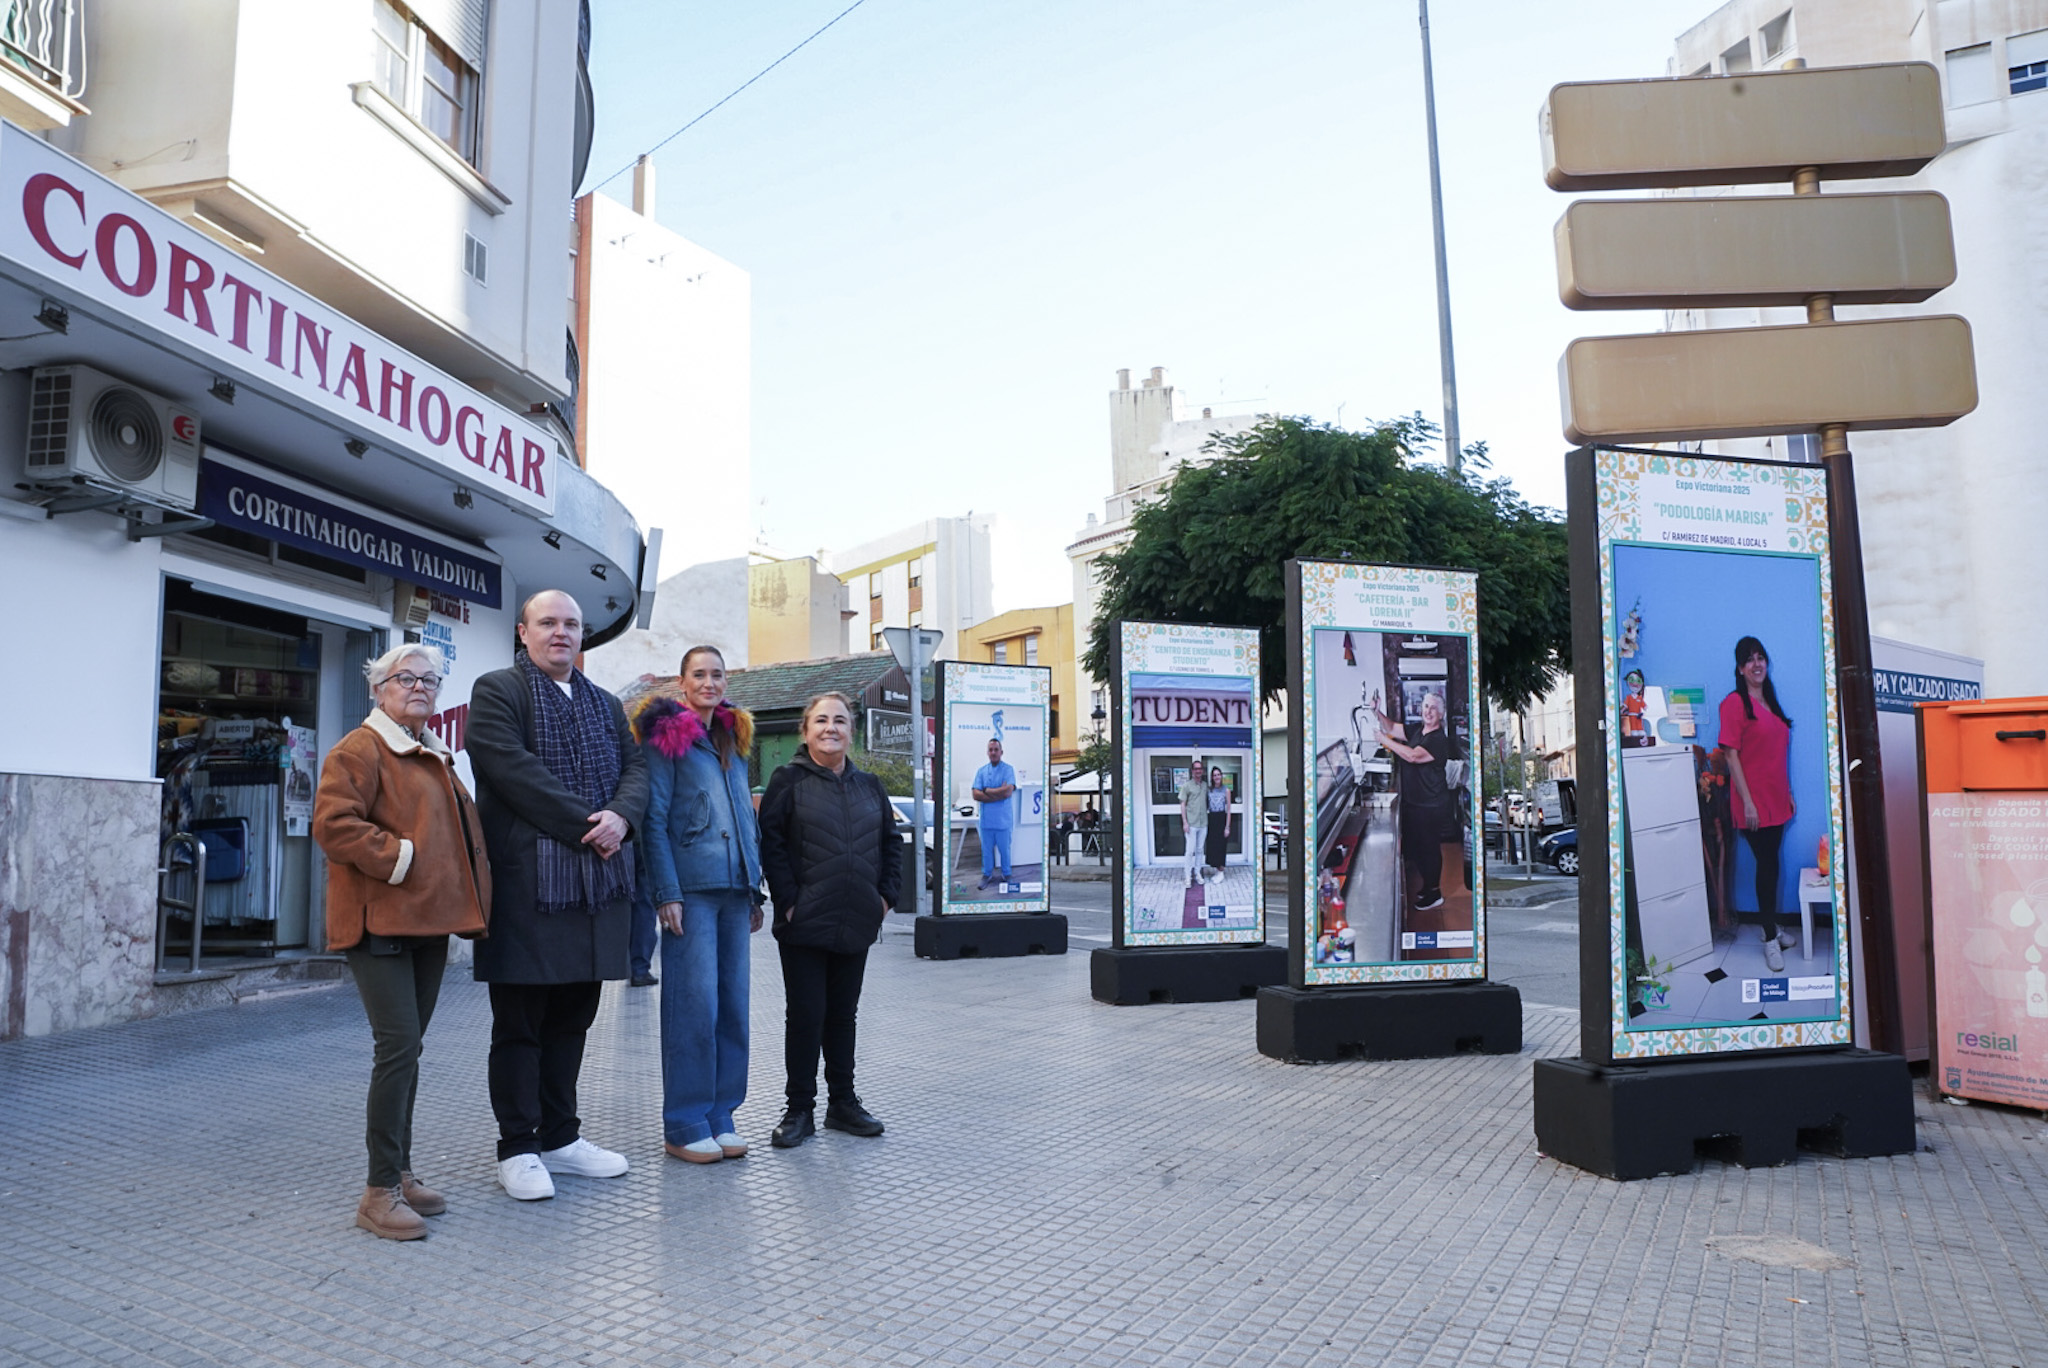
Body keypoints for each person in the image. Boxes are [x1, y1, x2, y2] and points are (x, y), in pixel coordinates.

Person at [467, 590, 648, 1201]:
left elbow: (636, 770)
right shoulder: (497, 691)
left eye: (571, 624)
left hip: (597, 891)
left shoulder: (603, 702)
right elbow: (511, 769)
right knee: (520, 1025)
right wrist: (588, 825)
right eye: (547, 623)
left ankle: (562, 1139)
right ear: (523, 632)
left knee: (574, 1019)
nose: (560, 633)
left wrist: (621, 818)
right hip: (529, 889)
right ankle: (517, 1146)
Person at [313, 644, 490, 1241]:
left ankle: (401, 1172)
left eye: (429, 680)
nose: (418, 687)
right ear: (378, 689)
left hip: (425, 924)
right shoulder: (360, 749)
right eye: (404, 678)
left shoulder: (431, 752)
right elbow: (334, 825)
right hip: (380, 921)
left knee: (408, 1051)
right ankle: (378, 1190)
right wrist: (403, 858)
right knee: (397, 1047)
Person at [628, 645, 763, 1165]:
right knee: (693, 1008)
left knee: (733, 1008)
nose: (710, 682)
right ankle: (685, 1122)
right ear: (682, 684)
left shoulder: (735, 738)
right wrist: (667, 893)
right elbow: (653, 821)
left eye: (717, 674)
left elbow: (745, 818)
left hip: (735, 892)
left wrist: (755, 888)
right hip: (691, 892)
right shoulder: (667, 739)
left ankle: (721, 1115)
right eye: (699, 675)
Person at [758, 691, 901, 1149]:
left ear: (851, 732)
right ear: (806, 729)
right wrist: (788, 901)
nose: (831, 728)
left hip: (856, 919)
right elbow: (772, 845)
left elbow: (890, 844)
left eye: (839, 721)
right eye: (821, 720)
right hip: (805, 922)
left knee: (843, 1016)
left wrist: (884, 899)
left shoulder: (870, 786)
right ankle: (799, 1109)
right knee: (806, 1015)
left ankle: (843, 1103)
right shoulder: (787, 780)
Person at [1719, 635, 1797, 973]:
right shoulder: (1734, 703)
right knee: (1767, 867)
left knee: (1773, 866)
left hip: (1777, 798)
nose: (1756, 664)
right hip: (1753, 803)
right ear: (1740, 668)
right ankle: (1769, 938)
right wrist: (1748, 802)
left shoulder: (1770, 703)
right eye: (1749, 659)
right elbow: (1731, 755)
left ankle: (1772, 927)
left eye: (1760, 657)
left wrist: (1788, 791)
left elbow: (1777, 755)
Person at [1373, 690, 1456, 912]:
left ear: (1441, 714)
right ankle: (1428, 887)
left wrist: (1385, 742)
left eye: (1434, 709)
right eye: (1426, 706)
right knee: (1418, 848)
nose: (1429, 711)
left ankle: (1434, 892)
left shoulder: (1439, 740)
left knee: (1429, 848)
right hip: (1415, 802)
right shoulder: (1418, 730)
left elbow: (1412, 756)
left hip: (1431, 804)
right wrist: (1376, 711)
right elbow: (1391, 727)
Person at [971, 736, 1018, 889]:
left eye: (996, 750)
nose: (993, 752)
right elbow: (975, 794)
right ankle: (987, 875)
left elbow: (1008, 792)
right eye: (990, 750)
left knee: (1005, 850)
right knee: (986, 851)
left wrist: (988, 791)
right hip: (986, 821)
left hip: (1003, 820)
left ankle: (1007, 874)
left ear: (1001, 752)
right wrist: (997, 794)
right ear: (987, 752)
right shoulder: (981, 771)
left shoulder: (1008, 770)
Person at [1178, 755, 1210, 886]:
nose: (1198, 771)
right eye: (1195, 769)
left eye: (1200, 769)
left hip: (1203, 824)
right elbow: (1182, 804)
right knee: (1189, 851)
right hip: (1191, 824)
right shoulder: (1186, 786)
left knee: (1200, 850)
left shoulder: (1205, 786)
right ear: (1192, 771)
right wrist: (1185, 822)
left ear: (1202, 771)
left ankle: (1197, 873)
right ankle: (1187, 876)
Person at [1203, 765, 1233, 878]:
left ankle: (1221, 871)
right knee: (1213, 845)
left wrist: (1227, 827)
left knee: (1221, 845)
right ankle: (1216, 868)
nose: (1217, 777)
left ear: (1221, 776)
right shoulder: (1209, 790)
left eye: (1218, 774)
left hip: (1221, 818)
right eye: (1214, 775)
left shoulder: (1226, 790)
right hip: (1212, 819)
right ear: (1212, 777)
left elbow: (1229, 809)